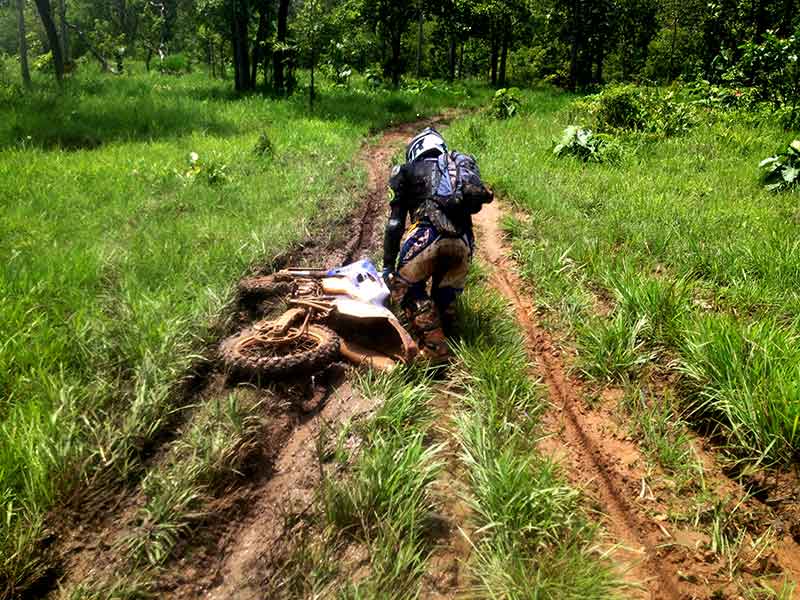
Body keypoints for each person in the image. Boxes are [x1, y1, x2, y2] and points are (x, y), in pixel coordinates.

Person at [382, 127, 493, 362]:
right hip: (463, 242)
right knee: (446, 293)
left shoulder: (405, 170)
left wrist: (388, 266)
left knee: (406, 288)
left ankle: (435, 349)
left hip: (426, 236)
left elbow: (394, 224)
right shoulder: (455, 171)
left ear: (414, 150)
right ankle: (451, 336)